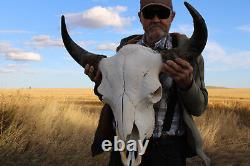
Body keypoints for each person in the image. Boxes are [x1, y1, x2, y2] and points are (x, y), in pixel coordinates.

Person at [84, 0, 210, 165]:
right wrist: (101, 82)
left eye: (163, 13)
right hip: (123, 142)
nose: (156, 19)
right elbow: (113, 99)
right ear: (140, 17)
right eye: (149, 13)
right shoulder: (122, 53)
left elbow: (198, 108)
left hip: (168, 149)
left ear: (172, 16)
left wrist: (186, 85)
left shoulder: (191, 57)